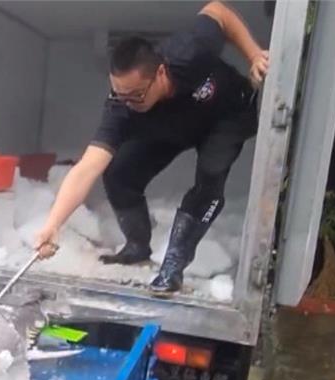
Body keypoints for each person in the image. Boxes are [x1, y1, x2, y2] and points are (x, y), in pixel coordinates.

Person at [33, 1, 268, 294]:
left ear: (160, 73)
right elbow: (87, 167)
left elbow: (218, 10)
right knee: (118, 174)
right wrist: (53, 224)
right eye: (121, 95)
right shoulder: (122, 106)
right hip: (171, 130)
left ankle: (173, 266)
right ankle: (137, 246)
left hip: (227, 117)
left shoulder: (189, 51)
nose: (127, 102)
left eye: (135, 94)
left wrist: (255, 55)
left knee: (210, 178)